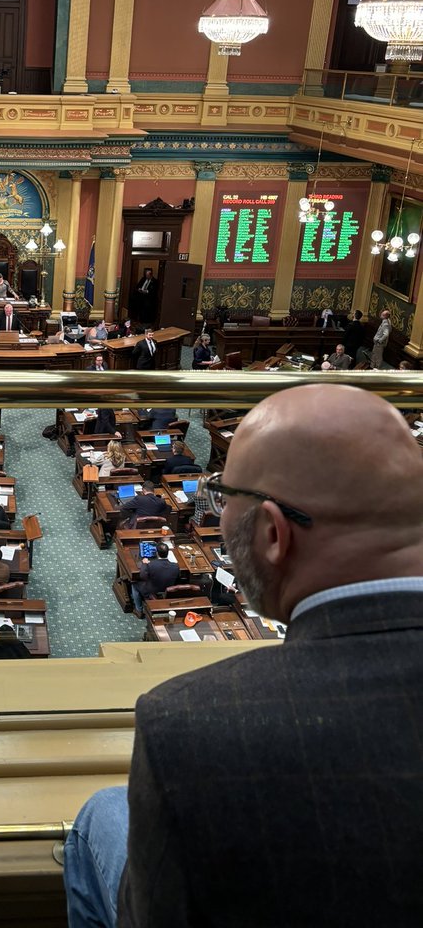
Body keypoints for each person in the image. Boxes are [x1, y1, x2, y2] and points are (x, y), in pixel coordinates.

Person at [63, 383, 423, 928]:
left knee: (101, 814)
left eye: (225, 495)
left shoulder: (189, 724)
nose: (219, 510)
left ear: (274, 534)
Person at [130, 539, 179, 618]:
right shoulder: (175, 566)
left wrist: (145, 564)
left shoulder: (151, 565)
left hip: (152, 590)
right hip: (167, 589)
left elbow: (142, 576)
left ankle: (139, 610)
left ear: (157, 553)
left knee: (134, 583)